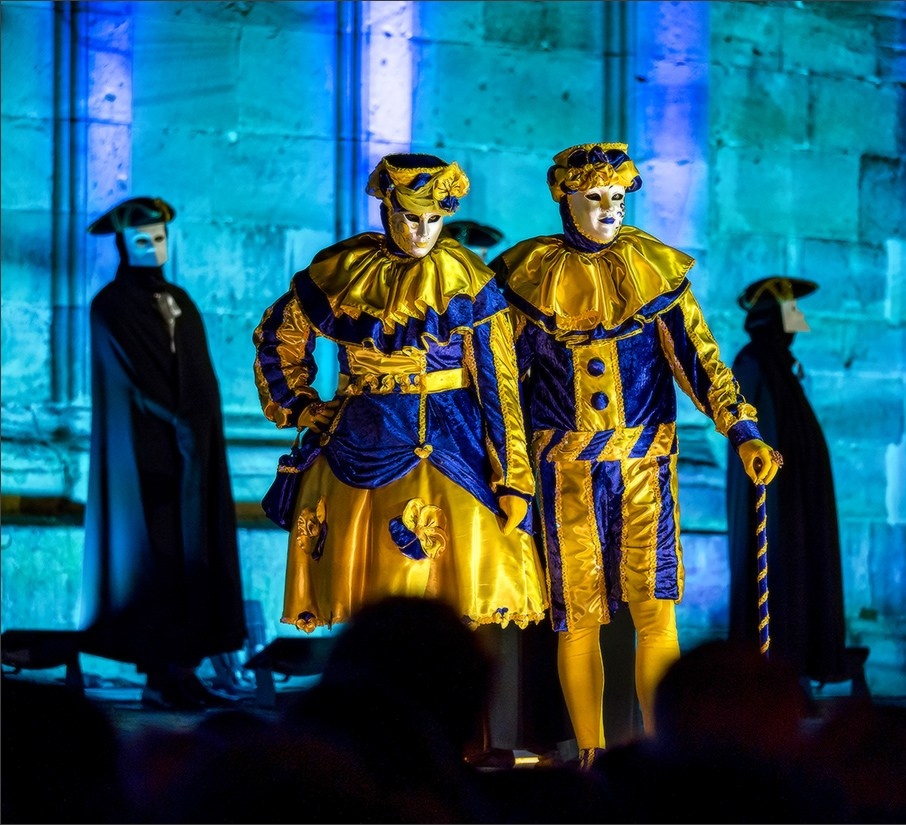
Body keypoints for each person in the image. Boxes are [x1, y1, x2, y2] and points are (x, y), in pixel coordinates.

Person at [490, 143, 779, 767]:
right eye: (594, 198)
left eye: (618, 198)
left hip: (645, 467)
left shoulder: (654, 273)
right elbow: (502, 385)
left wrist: (743, 430)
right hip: (565, 470)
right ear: (566, 201)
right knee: (578, 617)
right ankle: (590, 755)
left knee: (655, 609)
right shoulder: (529, 280)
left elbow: (701, 362)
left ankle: (663, 750)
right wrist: (506, 469)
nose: (609, 210)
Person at [253, 154, 547, 635]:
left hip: (452, 444)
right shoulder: (345, 271)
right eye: (411, 217)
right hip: (356, 444)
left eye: (434, 220)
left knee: (446, 604)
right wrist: (299, 405)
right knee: (369, 605)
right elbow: (279, 336)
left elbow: (500, 384)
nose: (421, 232)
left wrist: (514, 478)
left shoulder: (468, 280)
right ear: (388, 210)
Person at [82, 196, 247, 710]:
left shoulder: (180, 300)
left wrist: (198, 428)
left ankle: (186, 670)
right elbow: (133, 376)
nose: (154, 249)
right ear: (123, 245)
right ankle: (159, 676)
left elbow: (198, 372)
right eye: (142, 240)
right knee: (155, 555)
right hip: (145, 451)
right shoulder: (110, 306)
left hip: (192, 451)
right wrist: (176, 420)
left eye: (160, 239)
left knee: (195, 551)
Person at [726, 277, 847, 688]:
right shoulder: (754, 363)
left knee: (799, 581)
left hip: (796, 505)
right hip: (777, 506)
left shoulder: (778, 364)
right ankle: (771, 682)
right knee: (777, 581)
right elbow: (759, 437)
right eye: (791, 307)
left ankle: (794, 676)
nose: (799, 315)